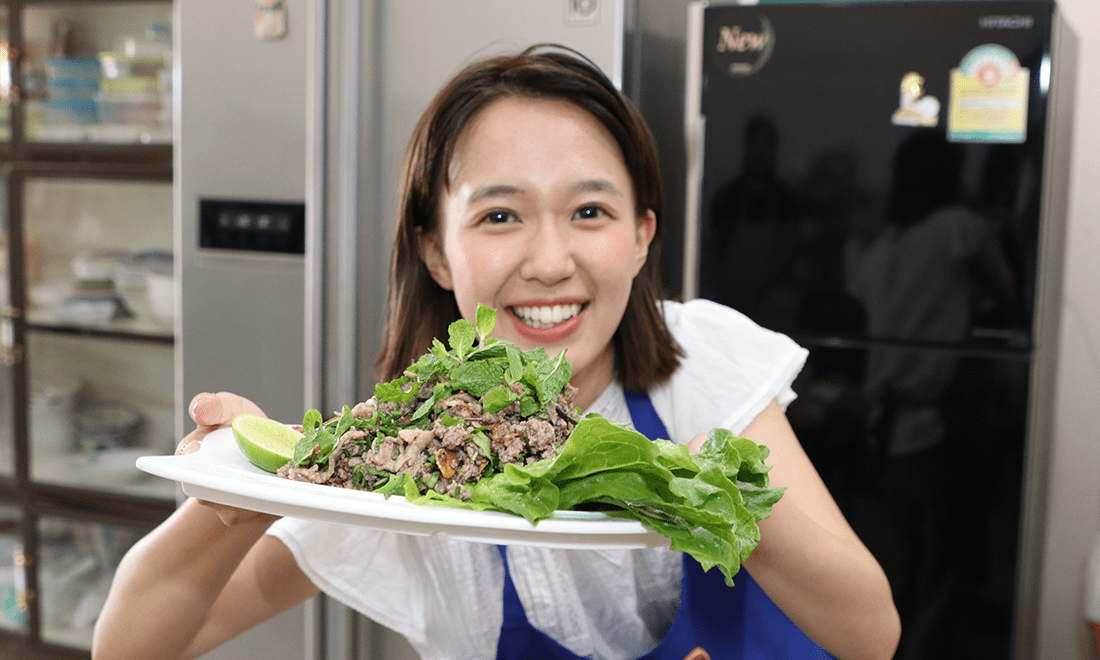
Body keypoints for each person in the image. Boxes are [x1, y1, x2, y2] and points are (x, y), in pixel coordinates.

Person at [92, 45, 900, 660]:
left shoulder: (699, 364)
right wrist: (233, 498)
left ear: (641, 237)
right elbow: (132, 646)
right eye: (500, 217)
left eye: (589, 211)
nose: (549, 262)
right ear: (435, 251)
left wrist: (705, 487)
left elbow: (871, 633)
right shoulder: (408, 462)